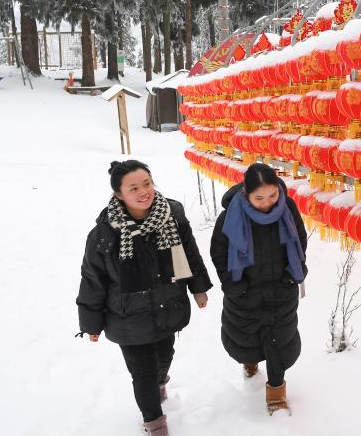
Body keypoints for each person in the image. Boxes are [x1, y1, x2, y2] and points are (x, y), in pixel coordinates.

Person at [77, 160, 212, 436]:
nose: (144, 192)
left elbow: (189, 253)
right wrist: (91, 323)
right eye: (134, 187)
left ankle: (160, 382)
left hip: (166, 306)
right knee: (143, 373)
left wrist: (198, 288)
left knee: (165, 356)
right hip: (127, 317)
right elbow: (93, 279)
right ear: (119, 194)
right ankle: (154, 422)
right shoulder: (105, 234)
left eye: (147, 184)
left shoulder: (171, 216)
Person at [211, 163, 308, 415]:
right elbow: (219, 252)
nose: (267, 203)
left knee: (279, 342)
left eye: (273, 195)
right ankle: (250, 362)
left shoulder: (287, 209)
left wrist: (293, 273)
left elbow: (299, 239)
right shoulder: (230, 216)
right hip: (246, 290)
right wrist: (233, 285)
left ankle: (276, 394)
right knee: (247, 338)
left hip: (281, 288)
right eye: (259, 198)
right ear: (246, 193)